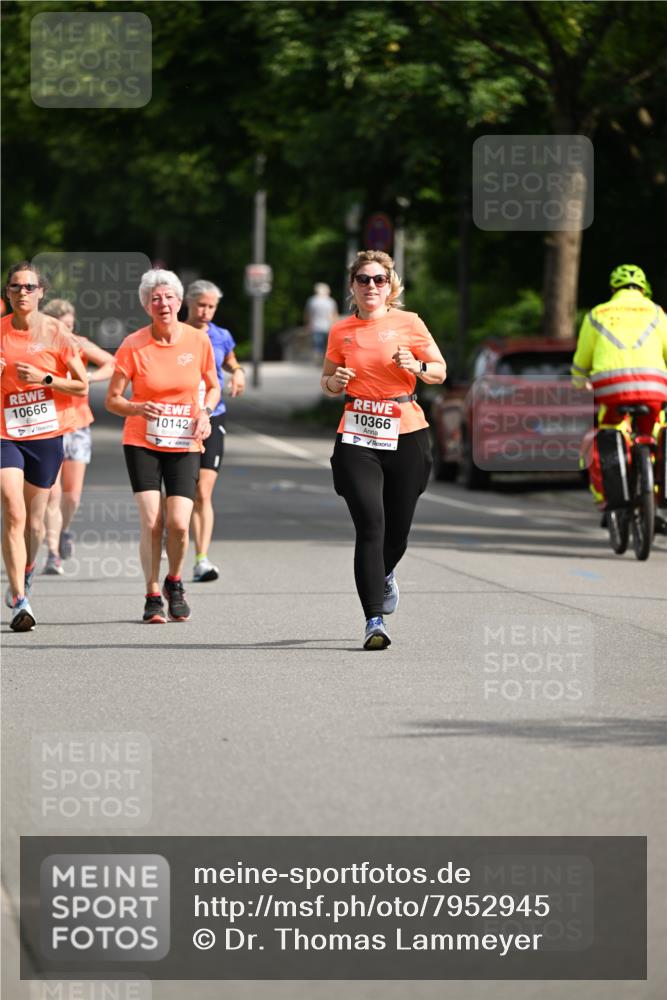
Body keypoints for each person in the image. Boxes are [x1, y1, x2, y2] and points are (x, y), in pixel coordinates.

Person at [321, 250, 446, 650]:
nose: (371, 286)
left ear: (390, 285)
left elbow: (440, 372)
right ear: (352, 286)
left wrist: (416, 366)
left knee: (397, 535)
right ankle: (374, 620)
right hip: (358, 433)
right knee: (370, 527)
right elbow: (325, 380)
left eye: (379, 279)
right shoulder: (341, 331)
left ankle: (386, 573)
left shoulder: (409, 323)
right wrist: (335, 381)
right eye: (363, 279)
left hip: (406, 429)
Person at [105, 269, 220, 624]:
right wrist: (137, 407)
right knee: (153, 522)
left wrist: (205, 412)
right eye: (155, 298)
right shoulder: (133, 344)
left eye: (169, 297)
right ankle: (153, 593)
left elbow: (213, 386)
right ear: (146, 305)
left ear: (179, 301)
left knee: (180, 524)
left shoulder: (197, 341)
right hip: (142, 439)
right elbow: (112, 399)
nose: (163, 303)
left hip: (185, 440)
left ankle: (175, 581)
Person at [1, 262, 87, 631]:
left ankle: (28, 567)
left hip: (44, 435)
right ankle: (20, 597)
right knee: (12, 510)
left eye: (29, 287)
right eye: (16, 287)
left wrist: (45, 378)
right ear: (7, 293)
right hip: (4, 431)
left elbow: (81, 385)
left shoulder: (55, 332)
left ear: (41, 293)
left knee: (35, 524)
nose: (22, 293)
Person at [572, 264, 667, 509]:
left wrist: (578, 384)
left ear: (613, 288)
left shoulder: (597, 314)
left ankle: (610, 493)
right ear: (644, 289)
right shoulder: (657, 313)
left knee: (609, 428)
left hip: (611, 387)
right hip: (653, 386)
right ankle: (654, 489)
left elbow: (582, 361)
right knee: (654, 429)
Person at [40, 299, 115, 574]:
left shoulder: (78, 343)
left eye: (71, 325)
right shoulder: (40, 347)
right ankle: (51, 553)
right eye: (62, 326)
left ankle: (64, 531)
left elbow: (111, 363)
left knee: (71, 496)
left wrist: (89, 380)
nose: (67, 331)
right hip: (48, 425)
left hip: (78, 424)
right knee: (52, 493)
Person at [184, 279, 245, 582]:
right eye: (201, 305)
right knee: (182, 494)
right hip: (179, 419)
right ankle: (173, 545)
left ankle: (201, 559)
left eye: (211, 306)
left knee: (202, 492)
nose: (206, 311)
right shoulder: (176, 333)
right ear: (189, 303)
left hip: (213, 417)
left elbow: (231, 361)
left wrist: (238, 373)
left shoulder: (221, 336)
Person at [304, 282, 338, 361]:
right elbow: (334, 315)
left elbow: (308, 314)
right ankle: (326, 359)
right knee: (328, 346)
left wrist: (307, 324)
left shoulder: (312, 301)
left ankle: (318, 356)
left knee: (318, 345)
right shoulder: (330, 301)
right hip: (328, 326)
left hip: (316, 326)